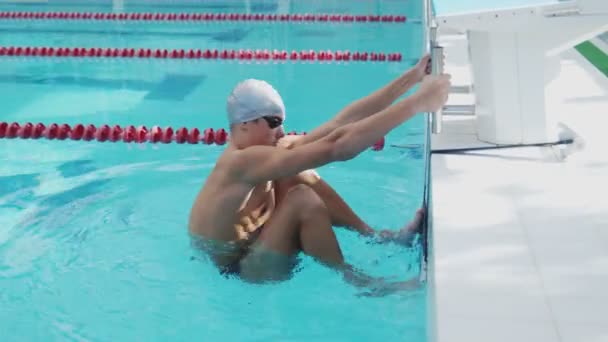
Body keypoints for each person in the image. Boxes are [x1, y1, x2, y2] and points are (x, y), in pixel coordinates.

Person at [189, 54, 450, 293]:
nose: (281, 132)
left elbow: (340, 123)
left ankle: (378, 237)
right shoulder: (240, 163)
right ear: (245, 124)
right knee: (302, 199)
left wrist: (413, 77)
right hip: (239, 270)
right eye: (274, 123)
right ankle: (361, 282)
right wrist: (416, 104)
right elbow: (336, 147)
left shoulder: (266, 153)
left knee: (294, 174)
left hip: (255, 245)